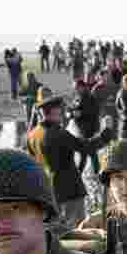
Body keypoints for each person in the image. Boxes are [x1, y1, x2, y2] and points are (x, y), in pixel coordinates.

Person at [25, 88, 113, 231]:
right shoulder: (58, 133)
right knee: (78, 230)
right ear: (54, 112)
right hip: (70, 189)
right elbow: (86, 147)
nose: (62, 115)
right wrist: (106, 132)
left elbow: (32, 163)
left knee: (58, 230)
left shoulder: (32, 135)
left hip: (48, 190)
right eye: (60, 111)